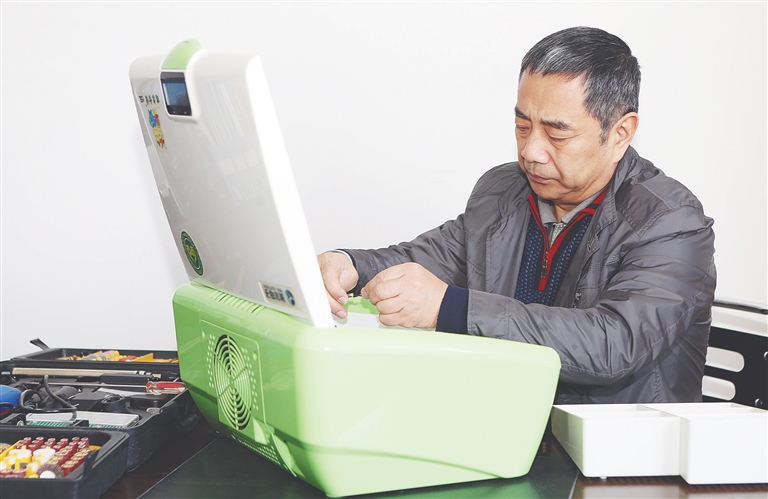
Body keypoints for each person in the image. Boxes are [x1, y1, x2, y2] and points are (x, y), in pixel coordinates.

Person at [317, 27, 716, 404]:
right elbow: (428, 259)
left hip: (616, 447)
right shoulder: (503, 191)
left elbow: (612, 344)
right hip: (508, 427)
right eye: (522, 126)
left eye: (557, 134)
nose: (531, 151)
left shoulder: (671, 223)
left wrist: (452, 308)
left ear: (620, 133)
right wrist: (348, 265)